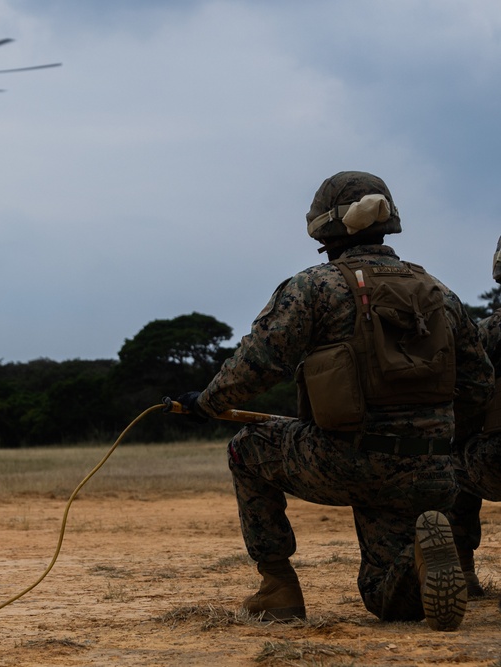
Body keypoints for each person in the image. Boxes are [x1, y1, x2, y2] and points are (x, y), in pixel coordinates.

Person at [174, 171, 493, 631]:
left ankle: (278, 587)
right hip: (432, 473)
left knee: (245, 448)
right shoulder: (440, 293)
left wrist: (207, 402)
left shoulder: (314, 287)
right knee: (383, 598)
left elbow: (258, 362)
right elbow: (479, 384)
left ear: (325, 228)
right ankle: (421, 558)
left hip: (348, 459)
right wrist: (440, 443)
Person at [446, 235, 501, 600]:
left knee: (451, 462)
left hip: (495, 461)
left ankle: (463, 568)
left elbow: (465, 404)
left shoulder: (490, 332)